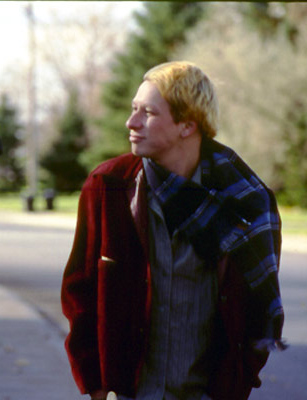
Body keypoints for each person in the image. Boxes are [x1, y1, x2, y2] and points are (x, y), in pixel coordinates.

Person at [61, 61, 285, 400]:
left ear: (187, 125)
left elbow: (257, 307)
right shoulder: (107, 187)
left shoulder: (246, 202)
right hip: (127, 392)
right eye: (133, 109)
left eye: (148, 113)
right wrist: (95, 383)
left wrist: (237, 382)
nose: (131, 122)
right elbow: (80, 292)